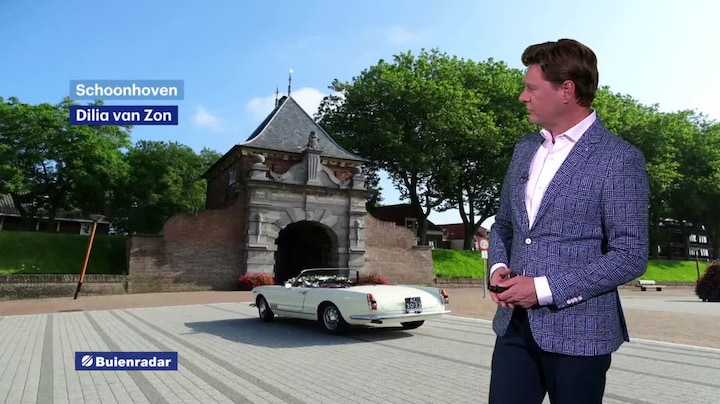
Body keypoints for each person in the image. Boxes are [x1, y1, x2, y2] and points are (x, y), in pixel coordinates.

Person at [487, 38, 650, 404]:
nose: (523, 97)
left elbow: (630, 255)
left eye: (531, 88)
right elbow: (504, 225)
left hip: (581, 333)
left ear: (566, 90)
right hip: (514, 329)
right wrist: (498, 267)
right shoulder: (524, 149)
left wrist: (542, 289)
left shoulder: (619, 158)